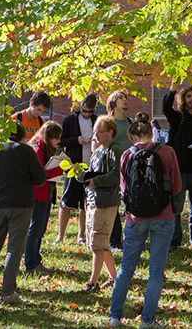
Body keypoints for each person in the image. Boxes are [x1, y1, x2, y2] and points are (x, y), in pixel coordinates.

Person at [109, 112, 182, 329]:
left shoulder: (126, 155)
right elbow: (176, 186)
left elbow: (123, 190)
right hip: (163, 216)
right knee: (156, 270)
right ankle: (147, 320)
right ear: (152, 134)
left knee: (126, 268)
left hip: (135, 217)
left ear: (132, 138)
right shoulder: (167, 151)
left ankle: (115, 316)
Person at [0, 124, 48, 304]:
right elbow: (40, 179)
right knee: (14, 248)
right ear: (21, 135)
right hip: (21, 203)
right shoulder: (26, 151)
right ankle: (7, 293)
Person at [163, 83, 192, 251]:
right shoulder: (178, 118)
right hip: (179, 169)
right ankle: (174, 242)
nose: (191, 99)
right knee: (176, 208)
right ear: (183, 99)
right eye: (188, 96)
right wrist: (172, 89)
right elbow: (166, 109)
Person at [79, 115, 122, 292]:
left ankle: (93, 282)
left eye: (99, 132)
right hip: (92, 200)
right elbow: (93, 172)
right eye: (94, 132)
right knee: (100, 243)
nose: (95, 135)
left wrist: (97, 182)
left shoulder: (115, 150)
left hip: (106, 202)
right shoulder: (98, 151)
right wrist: (81, 174)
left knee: (98, 242)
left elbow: (116, 174)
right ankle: (114, 279)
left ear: (110, 132)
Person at [25, 121, 65, 275]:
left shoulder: (43, 148)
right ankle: (31, 264)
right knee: (35, 230)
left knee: (39, 230)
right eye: (57, 138)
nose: (59, 141)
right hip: (38, 195)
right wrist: (59, 169)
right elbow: (40, 174)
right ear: (49, 137)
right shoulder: (37, 150)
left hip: (44, 194)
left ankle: (36, 261)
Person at [56, 94, 97, 244]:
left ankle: (81, 235)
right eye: (85, 111)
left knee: (85, 203)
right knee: (66, 201)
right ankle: (60, 236)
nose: (87, 114)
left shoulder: (96, 121)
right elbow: (60, 141)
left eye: (90, 112)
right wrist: (76, 140)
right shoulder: (69, 120)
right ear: (80, 107)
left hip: (90, 166)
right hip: (74, 166)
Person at [107, 90, 133, 251]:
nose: (125, 100)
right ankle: (114, 241)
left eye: (125, 97)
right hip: (114, 170)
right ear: (113, 103)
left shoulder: (130, 122)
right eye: (121, 98)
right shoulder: (109, 122)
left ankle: (130, 239)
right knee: (114, 206)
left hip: (131, 170)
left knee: (130, 204)